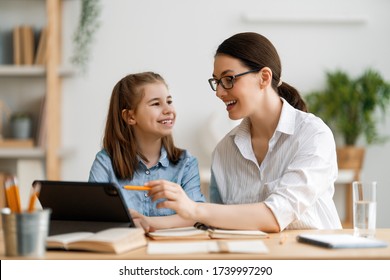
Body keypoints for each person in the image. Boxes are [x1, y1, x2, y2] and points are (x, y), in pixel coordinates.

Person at [145, 32, 342, 233]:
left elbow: (276, 215)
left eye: (229, 79)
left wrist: (194, 208)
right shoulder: (224, 151)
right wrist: (147, 222)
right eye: (217, 81)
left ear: (264, 78)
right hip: (252, 262)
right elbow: (217, 220)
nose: (219, 92)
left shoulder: (313, 135)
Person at [88, 71, 205, 230]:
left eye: (169, 101)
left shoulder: (186, 163)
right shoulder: (106, 162)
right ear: (130, 116)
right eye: (156, 104)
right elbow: (94, 213)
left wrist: (147, 222)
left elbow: (196, 215)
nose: (168, 109)